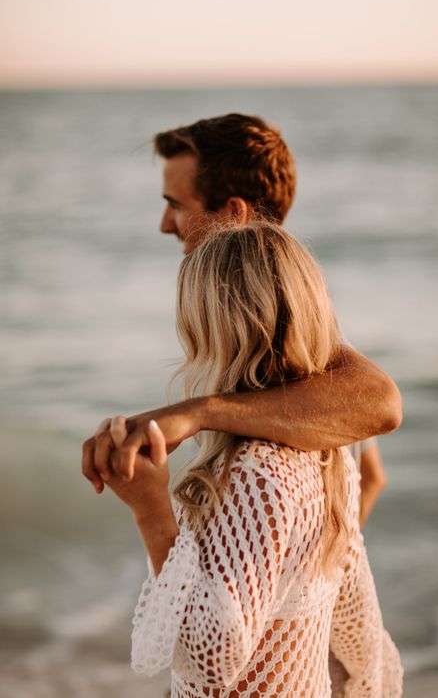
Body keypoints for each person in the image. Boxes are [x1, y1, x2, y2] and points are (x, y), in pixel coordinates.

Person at [102, 223, 403, 696]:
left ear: (212, 331)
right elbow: (355, 626)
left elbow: (212, 656)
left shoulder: (258, 474)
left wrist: (151, 510)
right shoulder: (327, 452)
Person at [83, 114, 398, 522]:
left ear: (234, 214)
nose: (165, 225)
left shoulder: (297, 340)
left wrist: (198, 413)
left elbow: (383, 403)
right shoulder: (303, 325)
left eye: (176, 206)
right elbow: (371, 477)